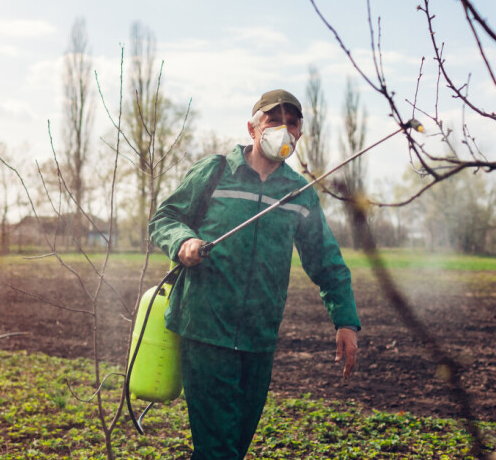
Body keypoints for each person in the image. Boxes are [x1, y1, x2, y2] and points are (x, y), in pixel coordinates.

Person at [148, 89, 361, 460]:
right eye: (273, 121)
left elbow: (326, 261)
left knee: (235, 446)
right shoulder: (216, 172)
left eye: (291, 124)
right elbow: (165, 219)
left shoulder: (299, 193)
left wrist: (346, 321)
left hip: (259, 339)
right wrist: (183, 241)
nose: (284, 130)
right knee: (218, 450)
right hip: (205, 329)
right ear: (252, 128)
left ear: (299, 135)